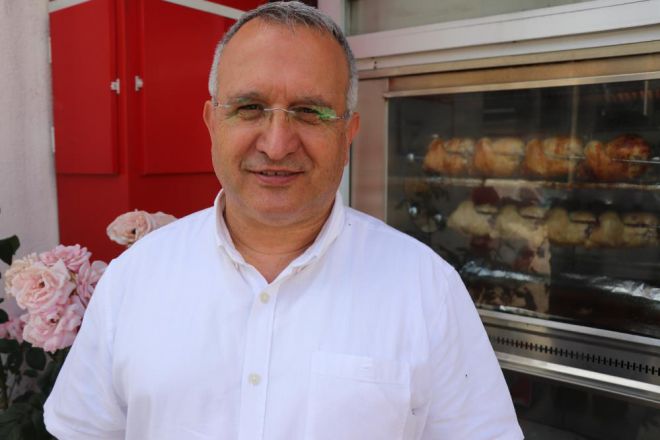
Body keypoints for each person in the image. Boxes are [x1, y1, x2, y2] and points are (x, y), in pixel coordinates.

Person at [44, 2, 523, 439]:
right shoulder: (135, 278)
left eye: (310, 112)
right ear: (212, 123)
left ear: (349, 133)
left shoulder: (426, 288)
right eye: (250, 108)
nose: (276, 145)